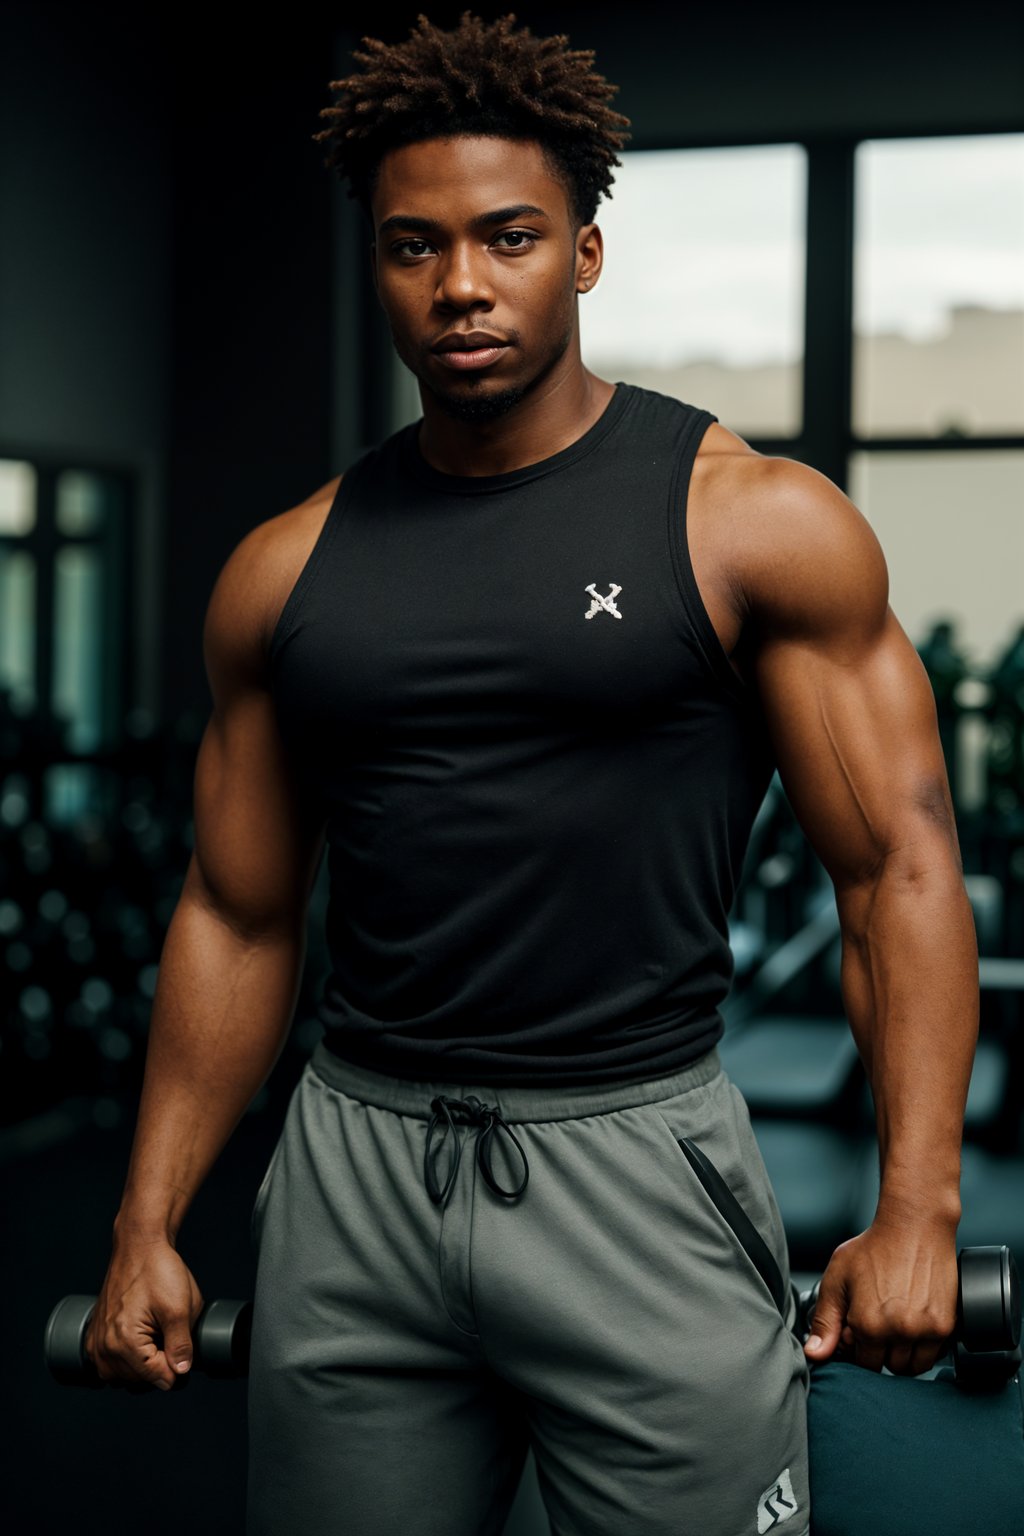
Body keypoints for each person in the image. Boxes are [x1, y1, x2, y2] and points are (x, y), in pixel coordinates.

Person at [86, 12, 980, 1535]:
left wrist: (918, 1209)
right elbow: (238, 915)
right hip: (354, 1169)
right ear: (377, 265)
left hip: (634, 1156)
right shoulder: (283, 571)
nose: (461, 288)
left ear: (585, 252)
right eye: (413, 248)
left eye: (509, 238)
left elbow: (894, 869)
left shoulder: (751, 523)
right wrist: (146, 1220)